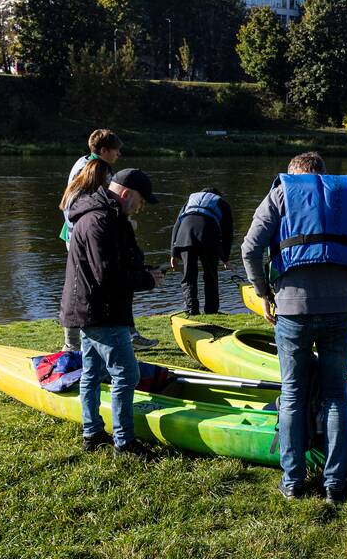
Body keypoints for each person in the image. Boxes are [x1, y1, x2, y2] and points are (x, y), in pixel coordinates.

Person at [241, 152, 347, 503]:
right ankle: (335, 485)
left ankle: (294, 482)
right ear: (324, 177)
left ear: (293, 176)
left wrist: (263, 292)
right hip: (341, 309)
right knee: (334, 395)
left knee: (294, 394)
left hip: (292, 311)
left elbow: (250, 248)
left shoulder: (280, 194)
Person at [60, 167, 164, 457]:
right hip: (100, 310)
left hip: (91, 308)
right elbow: (106, 275)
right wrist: (146, 280)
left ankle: (92, 433)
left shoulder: (106, 215)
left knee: (93, 372)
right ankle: (124, 442)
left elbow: (115, 263)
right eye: (141, 201)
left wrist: (144, 271)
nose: (141, 208)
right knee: (126, 374)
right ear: (127, 193)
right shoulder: (99, 219)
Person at [60, 129, 122, 352]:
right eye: (116, 151)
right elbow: (73, 205)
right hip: (80, 233)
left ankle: (111, 334)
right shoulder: (90, 168)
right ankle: (73, 344)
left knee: (88, 284)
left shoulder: (90, 163)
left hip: (82, 231)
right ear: (104, 150)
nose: (118, 155)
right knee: (80, 286)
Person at [170, 186, 234, 315]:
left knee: (189, 276)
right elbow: (228, 233)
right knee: (210, 275)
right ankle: (211, 311)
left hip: (185, 235)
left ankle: (191, 309)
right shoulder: (221, 202)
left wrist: (173, 253)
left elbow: (177, 225)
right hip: (209, 236)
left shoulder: (190, 201)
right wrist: (225, 257)